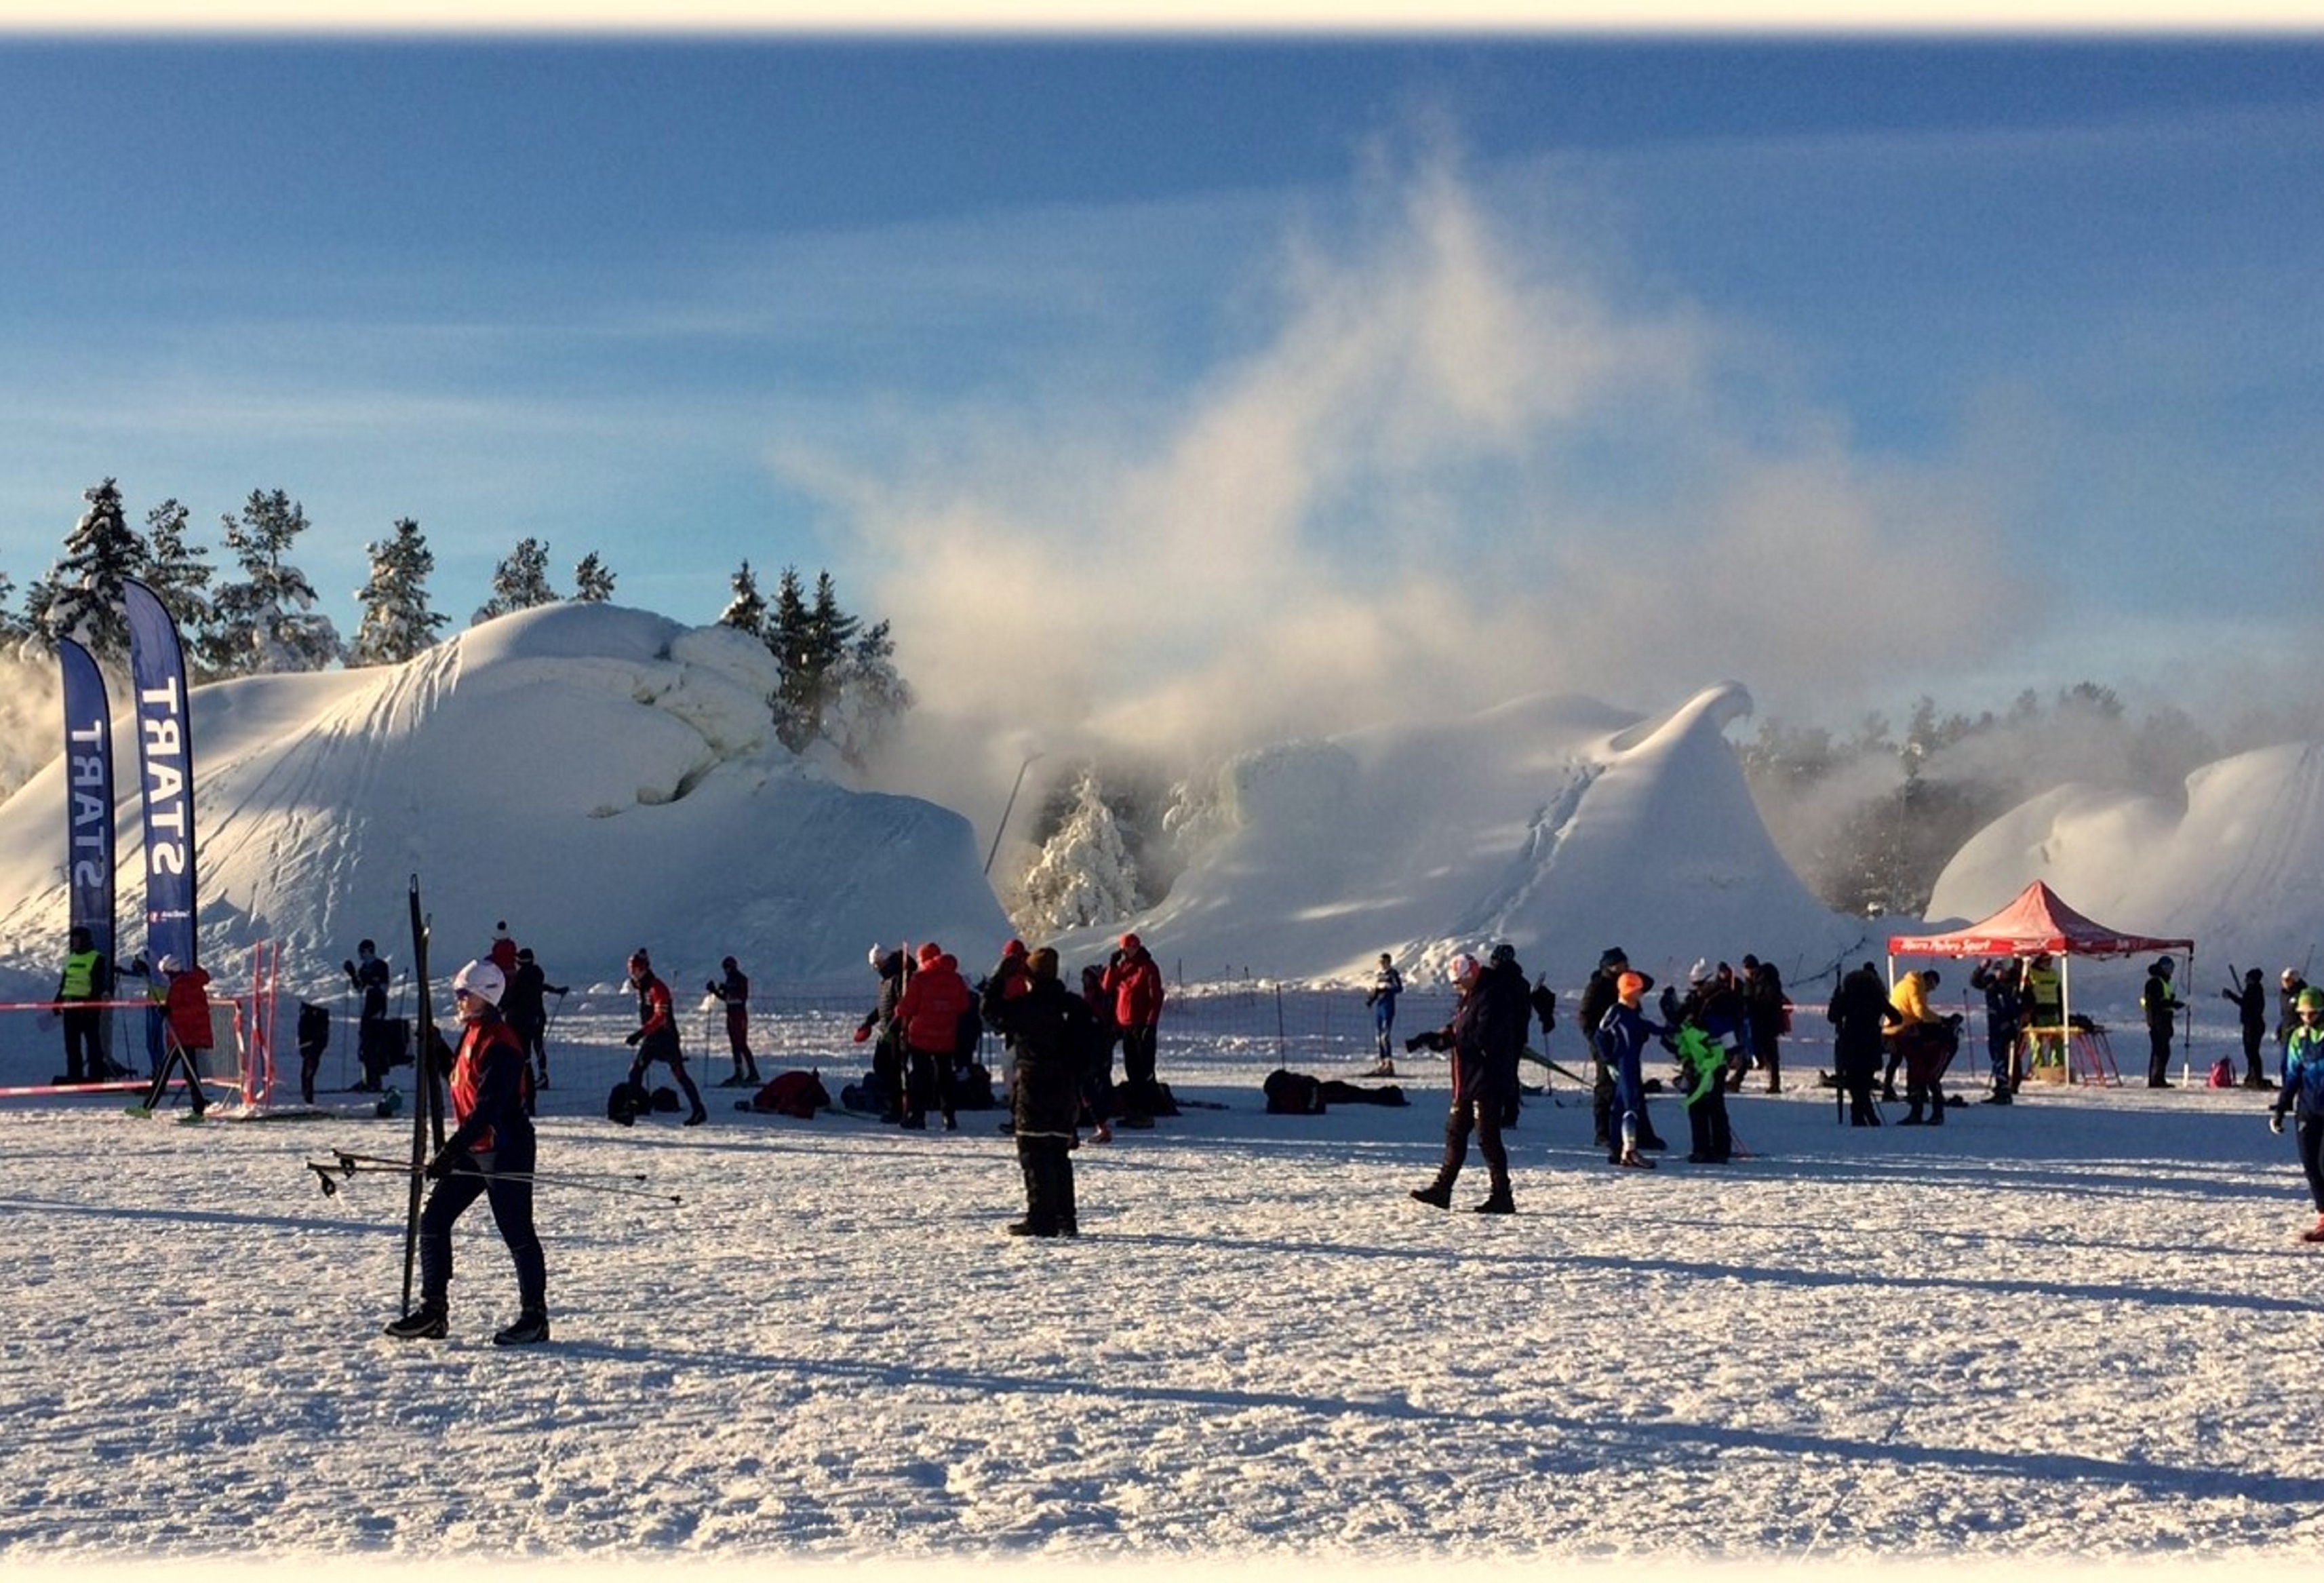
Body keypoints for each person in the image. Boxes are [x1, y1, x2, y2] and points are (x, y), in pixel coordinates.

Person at [385, 958, 549, 1346]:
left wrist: (450, 1151)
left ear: (484, 997)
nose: (458, 1000)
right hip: (478, 1147)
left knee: (516, 1230)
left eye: (464, 995)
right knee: (435, 1219)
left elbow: (488, 1108)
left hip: (506, 1147)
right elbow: (458, 1077)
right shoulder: (474, 1033)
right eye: (458, 993)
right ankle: (433, 1312)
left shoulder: (502, 1044)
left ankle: (534, 1318)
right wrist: (435, 1044)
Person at [985, 945, 1097, 1236]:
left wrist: (998, 978)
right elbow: (1093, 1048)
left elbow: (991, 1013)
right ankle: (1065, 1218)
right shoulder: (1074, 1006)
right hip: (1065, 1087)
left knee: (1034, 1153)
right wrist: (1076, 1076)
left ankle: (1041, 1218)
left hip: (1034, 1085)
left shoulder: (1027, 1006)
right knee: (1059, 1153)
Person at [1409, 952, 1522, 1211]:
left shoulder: (1492, 997)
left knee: (1488, 1137)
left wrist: (1454, 1040)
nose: (1455, 987)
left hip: (1487, 1081)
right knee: (1455, 1133)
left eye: (1458, 981)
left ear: (1471, 975)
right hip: (1467, 1081)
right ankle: (1442, 1190)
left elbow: (1484, 1037)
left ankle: (1502, 1195)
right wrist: (1436, 1038)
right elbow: (1463, 1029)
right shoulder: (1470, 998)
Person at [1579, 947, 1666, 1155]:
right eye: (1622, 965)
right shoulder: (1598, 987)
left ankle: (1643, 1135)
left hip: (1628, 1047)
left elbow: (1648, 982)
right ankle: (1604, 1134)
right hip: (1607, 1047)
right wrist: (1597, 1045)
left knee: (1634, 1091)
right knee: (1607, 1091)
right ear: (1610, 966)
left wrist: (1629, 974)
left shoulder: (1627, 983)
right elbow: (1586, 1018)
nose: (1627, 968)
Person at [622, 948, 706, 1126]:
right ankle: (630, 1110)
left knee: (679, 1074)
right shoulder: (643, 986)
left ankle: (699, 1110)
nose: (632, 974)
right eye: (631, 970)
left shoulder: (656, 987)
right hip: (652, 1038)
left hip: (665, 1038)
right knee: (636, 1071)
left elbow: (660, 1017)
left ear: (643, 970)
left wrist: (640, 1033)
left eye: (635, 970)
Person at [1594, 971, 1670, 1169]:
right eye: (1636, 990)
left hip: (1632, 1062)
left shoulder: (1636, 1011)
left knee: (1619, 1107)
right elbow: (1600, 1035)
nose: (1640, 994)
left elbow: (1649, 1026)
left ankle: (1617, 1149)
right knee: (1630, 1105)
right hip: (1624, 1063)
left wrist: (1671, 1029)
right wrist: (1608, 1060)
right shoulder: (1617, 1011)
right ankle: (1629, 1151)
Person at [894, 942, 973, 1131]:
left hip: (921, 1036)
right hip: (946, 1036)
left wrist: (899, 1009)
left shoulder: (920, 978)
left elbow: (908, 1007)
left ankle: (918, 1115)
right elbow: (963, 1005)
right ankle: (949, 1116)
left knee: (920, 1076)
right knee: (945, 1076)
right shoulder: (956, 979)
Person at [2271, 985, 2324, 1243]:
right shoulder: (2298, 1038)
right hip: (2308, 1108)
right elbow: (2292, 1076)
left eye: (2313, 1014)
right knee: (2310, 1163)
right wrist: (2281, 1108)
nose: (2307, 1018)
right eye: (2303, 1014)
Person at [137, 954, 213, 1117]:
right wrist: (168, 1008)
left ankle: (147, 1107)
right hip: (185, 1033)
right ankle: (199, 1108)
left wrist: (171, 1011)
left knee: (164, 1071)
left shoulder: (184, 984)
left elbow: (193, 1010)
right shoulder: (184, 982)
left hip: (184, 1035)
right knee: (190, 1073)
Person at [1102, 932, 1166, 1122]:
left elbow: (1156, 998)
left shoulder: (1148, 967)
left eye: (1130, 947)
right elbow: (1107, 988)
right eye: (1125, 948)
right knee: (1132, 1069)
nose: (1127, 951)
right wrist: (1112, 966)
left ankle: (1145, 1111)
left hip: (1142, 1025)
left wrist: (1151, 1024)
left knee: (1143, 1069)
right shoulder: (1123, 967)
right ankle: (1136, 1110)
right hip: (1126, 1025)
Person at [1830, 962, 1903, 1127]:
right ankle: (1864, 1116)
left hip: (1850, 1041)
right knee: (1864, 1080)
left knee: (1854, 1082)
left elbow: (1833, 1017)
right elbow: (1897, 1017)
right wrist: (1883, 1027)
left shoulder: (1847, 995)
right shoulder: (1877, 997)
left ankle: (1863, 1116)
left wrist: (1835, 1000)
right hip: (1870, 1041)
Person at [1889, 967, 1961, 1125]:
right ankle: (1935, 1112)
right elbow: (1920, 1012)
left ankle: (1917, 1111)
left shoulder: (1904, 984)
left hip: (1900, 1031)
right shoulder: (1916, 985)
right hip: (1907, 1032)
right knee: (1928, 1074)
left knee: (1915, 1072)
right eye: (1931, 987)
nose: (1929, 991)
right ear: (1928, 980)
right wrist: (1941, 1021)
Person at [502, 946, 568, 1095]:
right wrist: (556, 990)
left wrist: (500, 1009)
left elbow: (513, 998)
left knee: (524, 1051)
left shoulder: (519, 979)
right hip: (538, 1017)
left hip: (523, 1020)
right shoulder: (537, 974)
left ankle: (526, 1081)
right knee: (538, 1046)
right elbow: (540, 987)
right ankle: (543, 1076)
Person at [856, 947, 912, 1122]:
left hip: (898, 1033)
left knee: (894, 1070)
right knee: (882, 1066)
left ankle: (898, 1108)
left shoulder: (900, 979)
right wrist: (869, 1021)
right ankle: (893, 1103)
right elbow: (883, 1007)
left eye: (876, 964)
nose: (876, 969)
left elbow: (903, 1008)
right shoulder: (887, 980)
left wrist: (891, 1029)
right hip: (887, 1031)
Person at [56, 924, 113, 1084]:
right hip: (71, 1005)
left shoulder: (96, 958)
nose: (73, 942)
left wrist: (91, 1005)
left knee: (93, 1043)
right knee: (72, 1044)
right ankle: (75, 1075)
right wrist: (58, 1001)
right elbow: (65, 982)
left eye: (76, 939)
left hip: (88, 1006)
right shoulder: (71, 958)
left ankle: (96, 1075)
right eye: (72, 939)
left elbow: (98, 984)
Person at [1969, 958, 2025, 1104]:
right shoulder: (1992, 982)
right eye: (1997, 970)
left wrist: (2011, 1021)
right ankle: (2001, 1085)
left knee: (2002, 1056)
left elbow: (2018, 1006)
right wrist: (1982, 968)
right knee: (1995, 1055)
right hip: (1994, 1024)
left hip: (2006, 1024)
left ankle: (2005, 1087)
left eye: (2001, 970)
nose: (1999, 973)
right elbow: (1975, 982)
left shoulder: (2012, 985)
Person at [344, 939, 393, 1092]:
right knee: (365, 1043)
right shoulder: (364, 968)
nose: (361, 955)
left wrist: (369, 981)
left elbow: (383, 986)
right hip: (369, 1006)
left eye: (362, 952)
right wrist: (353, 974)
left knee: (373, 1044)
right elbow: (359, 988)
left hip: (378, 1005)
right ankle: (368, 1078)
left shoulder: (380, 966)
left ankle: (374, 1080)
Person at [705, 956, 761, 1089]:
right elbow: (726, 998)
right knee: (736, 1044)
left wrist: (727, 990)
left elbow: (741, 997)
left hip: (739, 1015)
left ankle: (749, 1072)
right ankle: (741, 1071)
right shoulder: (730, 979)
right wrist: (715, 991)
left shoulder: (741, 979)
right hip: (732, 1015)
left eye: (727, 968)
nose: (726, 971)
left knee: (741, 1044)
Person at [1741, 954, 1787, 1095]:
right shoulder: (1752, 981)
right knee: (1752, 1049)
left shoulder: (1767, 979)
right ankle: (1740, 1077)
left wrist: (1754, 1004)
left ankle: (1775, 1083)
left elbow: (1769, 1000)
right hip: (1757, 1021)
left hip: (1768, 1022)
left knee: (1770, 1053)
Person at [2223, 966, 2270, 1089]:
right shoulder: (2254, 990)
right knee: (2250, 1052)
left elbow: (2245, 1003)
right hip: (2252, 1025)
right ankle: (2252, 1076)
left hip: (2254, 1025)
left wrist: (2231, 996)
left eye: (2248, 978)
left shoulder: (2254, 991)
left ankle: (2256, 1077)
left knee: (2252, 1052)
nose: (2246, 981)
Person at [2142, 956, 2184, 1089]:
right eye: (2167, 968)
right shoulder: (2155, 982)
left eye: (2171, 968)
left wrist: (2171, 1002)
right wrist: (2171, 1003)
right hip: (2158, 1020)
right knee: (2159, 1051)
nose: (2170, 971)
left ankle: (2160, 1078)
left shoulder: (2164, 982)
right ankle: (2155, 1079)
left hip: (2165, 1020)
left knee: (2164, 1050)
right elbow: (2156, 1002)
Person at [2021, 952, 2064, 1076]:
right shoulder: (2031, 974)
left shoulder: (2054, 974)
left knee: (2057, 1041)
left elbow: (2060, 995)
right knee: (2037, 1043)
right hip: (2037, 1013)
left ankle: (2058, 1066)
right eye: (2046, 960)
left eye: (2050, 960)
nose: (2049, 963)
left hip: (2052, 1012)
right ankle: (2039, 1068)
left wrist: (2062, 1015)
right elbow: (2026, 994)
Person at [1364, 953, 1403, 1077]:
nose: (1382, 964)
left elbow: (1399, 988)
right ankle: (1382, 1063)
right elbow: (1377, 989)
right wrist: (1372, 999)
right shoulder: (1379, 975)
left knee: (1385, 1036)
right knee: (1378, 1036)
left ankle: (1389, 1064)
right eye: (1381, 962)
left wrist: (1388, 989)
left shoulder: (1393, 974)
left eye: (1384, 961)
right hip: (1380, 1007)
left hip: (1388, 1007)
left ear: (1389, 962)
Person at [2279, 968, 2311, 1078]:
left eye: (2287, 980)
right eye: (2283, 980)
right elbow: (2285, 1014)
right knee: (2284, 1064)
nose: (2284, 982)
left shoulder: (2302, 994)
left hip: (2299, 1034)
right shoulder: (2284, 994)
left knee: (2298, 1063)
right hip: (2286, 1033)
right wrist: (2280, 1028)